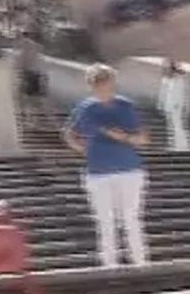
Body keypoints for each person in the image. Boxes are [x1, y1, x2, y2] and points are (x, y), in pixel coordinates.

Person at [62, 64, 150, 268]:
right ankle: (110, 266)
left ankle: (141, 263)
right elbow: (68, 133)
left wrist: (125, 137)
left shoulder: (125, 105)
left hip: (129, 170)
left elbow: (144, 139)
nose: (103, 88)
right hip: (98, 173)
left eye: (106, 82)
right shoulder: (84, 108)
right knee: (105, 221)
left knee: (131, 219)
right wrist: (82, 150)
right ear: (92, 85)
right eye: (98, 84)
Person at [158, 58, 190, 151]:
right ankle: (173, 144)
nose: (165, 70)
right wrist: (161, 104)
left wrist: (181, 104)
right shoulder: (165, 80)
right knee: (171, 126)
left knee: (178, 125)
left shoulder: (178, 80)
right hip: (168, 104)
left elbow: (181, 93)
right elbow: (163, 93)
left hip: (176, 105)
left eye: (167, 68)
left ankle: (183, 146)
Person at [17, 30, 47, 128]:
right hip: (36, 74)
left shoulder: (25, 47)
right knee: (34, 99)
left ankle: (26, 119)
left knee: (24, 97)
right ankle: (35, 121)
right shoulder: (37, 47)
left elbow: (23, 62)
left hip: (29, 74)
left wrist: (20, 71)